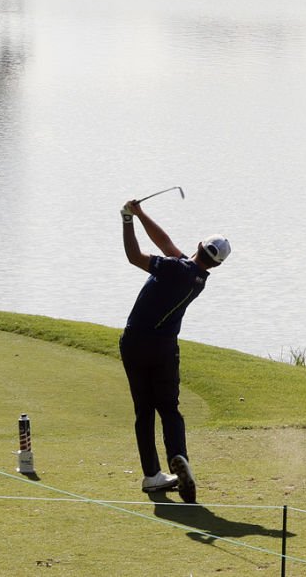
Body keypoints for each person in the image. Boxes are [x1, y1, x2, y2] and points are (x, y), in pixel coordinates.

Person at [119, 200, 230, 500]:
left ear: (199, 244)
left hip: (136, 342)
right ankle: (179, 457)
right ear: (217, 264)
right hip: (166, 349)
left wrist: (127, 219)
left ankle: (153, 475)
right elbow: (166, 242)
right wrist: (140, 214)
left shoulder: (173, 268)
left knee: (144, 411)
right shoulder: (198, 278)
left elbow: (133, 256)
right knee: (169, 409)